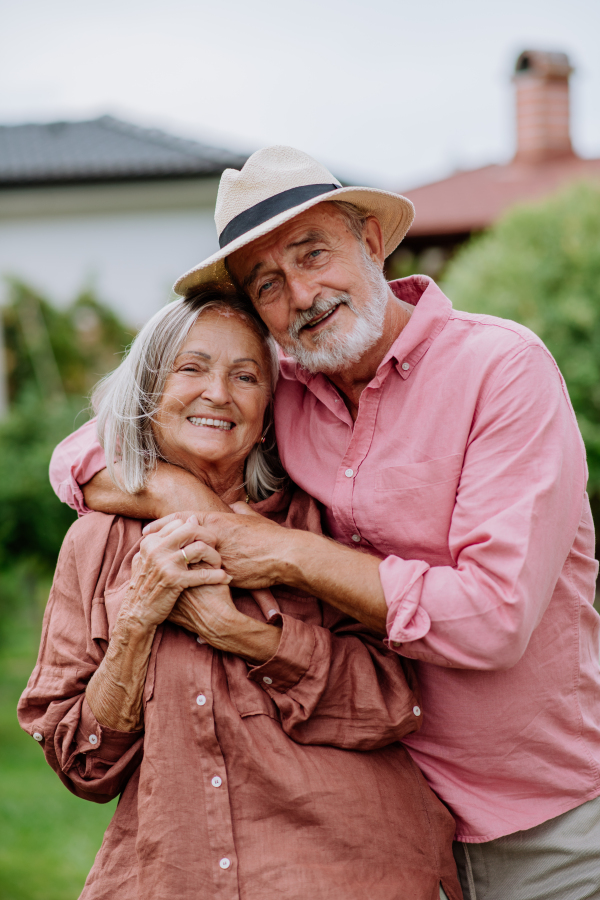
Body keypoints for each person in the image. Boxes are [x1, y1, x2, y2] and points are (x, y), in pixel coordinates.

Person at [50, 146, 600, 900]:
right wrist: (185, 501)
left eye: (315, 254)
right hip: (391, 796)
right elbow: (91, 446)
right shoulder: (290, 390)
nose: (303, 295)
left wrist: (279, 551)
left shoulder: (500, 370)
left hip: (535, 813)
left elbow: (494, 619)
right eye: (268, 284)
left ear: (370, 244)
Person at [20, 286, 461, 900]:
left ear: (267, 415)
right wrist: (139, 621)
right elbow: (81, 762)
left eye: (246, 377)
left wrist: (241, 634)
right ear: (150, 395)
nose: (218, 394)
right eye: (191, 368)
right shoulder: (96, 545)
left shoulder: (318, 521)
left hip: (349, 868)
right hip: (181, 871)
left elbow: (391, 700)